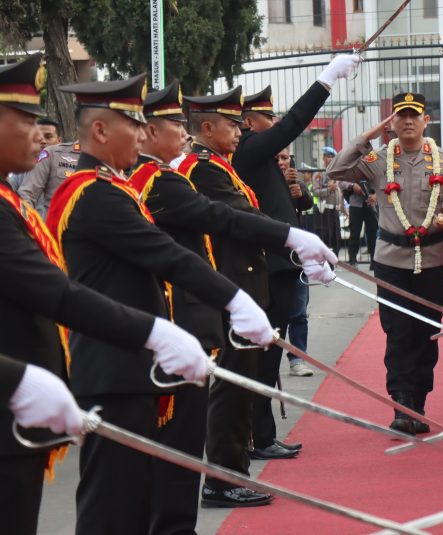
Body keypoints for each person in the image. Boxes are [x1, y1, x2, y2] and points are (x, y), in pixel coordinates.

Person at [49, 75, 277, 533]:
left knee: (144, 499)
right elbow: (169, 253)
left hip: (136, 364)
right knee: (113, 508)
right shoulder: (93, 195)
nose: (143, 133)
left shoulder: (113, 188)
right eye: (134, 124)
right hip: (115, 370)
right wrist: (234, 298)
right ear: (99, 131)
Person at [0, 54, 212, 535]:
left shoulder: (11, 201)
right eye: (27, 120)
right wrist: (156, 333)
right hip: (71, 383)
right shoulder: (87, 192)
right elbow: (57, 293)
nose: (40, 133)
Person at [130, 82, 332, 528]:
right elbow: (226, 219)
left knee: (241, 387)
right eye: (230, 124)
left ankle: (231, 470)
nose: (239, 131)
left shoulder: (214, 166)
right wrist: (291, 240)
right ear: (207, 127)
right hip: (222, 292)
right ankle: (223, 476)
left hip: (239, 288)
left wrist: (295, 247)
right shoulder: (196, 170)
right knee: (231, 389)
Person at [232, 55, 358, 457]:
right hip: (265, 268)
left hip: (281, 267)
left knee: (270, 357)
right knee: (263, 359)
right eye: (267, 118)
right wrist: (325, 81)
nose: (275, 124)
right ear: (250, 122)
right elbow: (294, 125)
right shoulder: (250, 148)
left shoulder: (264, 157)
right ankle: (257, 436)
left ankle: (262, 434)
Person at [327, 92, 443, 434]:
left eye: (413, 115)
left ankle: (419, 402)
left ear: (425, 121)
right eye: (400, 115)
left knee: (426, 331)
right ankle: (402, 405)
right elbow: (337, 168)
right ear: (393, 121)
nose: (407, 121)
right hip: (391, 261)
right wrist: (366, 137)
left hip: (431, 259)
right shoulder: (378, 159)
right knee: (398, 332)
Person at [275, 148, 315, 377]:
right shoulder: (263, 180)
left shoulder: (294, 179)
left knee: (299, 312)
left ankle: (298, 358)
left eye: (285, 157)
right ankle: (270, 360)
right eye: (278, 158)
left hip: (296, 256)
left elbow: (308, 203)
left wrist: (298, 192)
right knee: (276, 313)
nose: (282, 162)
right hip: (274, 257)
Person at [313, 145, 344, 255]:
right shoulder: (319, 174)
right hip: (325, 211)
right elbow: (315, 192)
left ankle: (334, 261)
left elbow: (340, 192)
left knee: (337, 237)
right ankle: (325, 262)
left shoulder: (337, 173)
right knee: (325, 237)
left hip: (335, 210)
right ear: (323, 158)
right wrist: (328, 189)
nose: (330, 159)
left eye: (332, 157)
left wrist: (344, 209)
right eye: (328, 156)